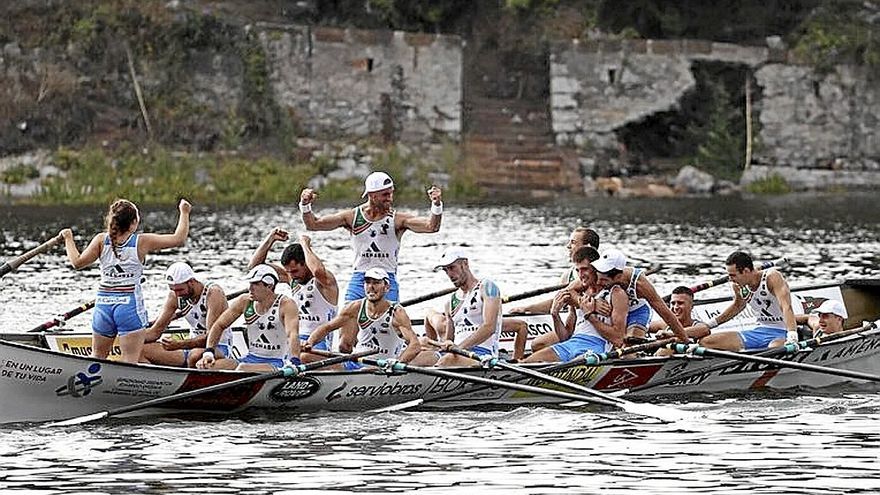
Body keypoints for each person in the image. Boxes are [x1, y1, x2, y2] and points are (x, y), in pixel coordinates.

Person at [59, 198, 191, 363]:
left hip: (103, 306)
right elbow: (178, 239)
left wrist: (68, 238)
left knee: (97, 357)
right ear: (134, 222)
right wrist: (184, 212)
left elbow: (77, 263)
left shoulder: (101, 240)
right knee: (130, 361)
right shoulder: (141, 241)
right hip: (128, 307)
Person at [299, 171, 443, 304]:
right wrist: (305, 206)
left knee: (390, 327)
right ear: (372, 195)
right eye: (386, 195)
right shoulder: (352, 217)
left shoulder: (398, 220)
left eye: (391, 193)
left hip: (387, 279)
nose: (390, 199)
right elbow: (313, 224)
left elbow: (431, 227)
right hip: (360, 279)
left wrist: (436, 205)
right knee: (346, 324)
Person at [302, 268, 425, 370]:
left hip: (382, 366)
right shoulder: (355, 307)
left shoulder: (397, 313)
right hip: (355, 361)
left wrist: (398, 363)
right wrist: (310, 343)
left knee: (365, 370)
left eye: (376, 283)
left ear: (386, 287)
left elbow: (415, 345)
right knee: (305, 357)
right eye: (368, 282)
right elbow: (327, 328)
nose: (371, 287)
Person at [248, 228, 338, 362]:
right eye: (288, 271)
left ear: (306, 264)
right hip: (293, 337)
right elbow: (254, 268)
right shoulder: (291, 278)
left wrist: (304, 244)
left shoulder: (325, 282)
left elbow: (318, 270)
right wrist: (270, 239)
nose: (292, 276)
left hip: (318, 343)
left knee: (303, 357)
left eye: (295, 271)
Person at [524, 246, 626, 363]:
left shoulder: (616, 294)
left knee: (575, 362)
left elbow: (618, 339)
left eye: (584, 269)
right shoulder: (576, 293)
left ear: (596, 268)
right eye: (577, 270)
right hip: (570, 345)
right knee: (526, 363)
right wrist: (555, 315)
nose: (580, 275)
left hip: (596, 348)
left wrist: (589, 315)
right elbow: (565, 337)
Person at [510, 226, 600, 353]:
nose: (568, 246)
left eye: (573, 242)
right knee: (537, 344)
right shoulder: (567, 276)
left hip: (596, 329)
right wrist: (526, 309)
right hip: (575, 325)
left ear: (588, 247)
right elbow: (559, 300)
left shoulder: (603, 272)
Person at [196, 264, 300, 371]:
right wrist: (208, 352)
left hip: (277, 362)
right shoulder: (245, 301)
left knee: (242, 369)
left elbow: (292, 334)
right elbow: (219, 325)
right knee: (205, 366)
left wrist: (294, 361)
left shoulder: (286, 304)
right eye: (250, 283)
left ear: (269, 285)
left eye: (255, 284)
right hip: (250, 359)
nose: (250, 288)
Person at [699, 251, 798, 351]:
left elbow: (786, 306)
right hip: (758, 333)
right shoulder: (738, 285)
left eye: (733, 275)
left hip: (782, 332)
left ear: (746, 271)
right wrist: (709, 325)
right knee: (706, 342)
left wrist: (792, 336)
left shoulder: (772, 277)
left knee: (774, 351)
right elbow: (737, 307)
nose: (730, 279)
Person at [141, 262, 233, 367]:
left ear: (191, 282)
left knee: (195, 355)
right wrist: (128, 336)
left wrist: (179, 344)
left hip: (217, 347)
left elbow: (210, 337)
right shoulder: (175, 296)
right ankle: (160, 381)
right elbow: (155, 332)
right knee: (140, 349)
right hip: (190, 347)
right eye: (173, 290)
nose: (177, 294)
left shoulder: (213, 294)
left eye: (180, 289)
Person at [592, 248, 689, 344]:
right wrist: (594, 304)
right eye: (598, 278)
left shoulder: (640, 284)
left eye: (603, 280)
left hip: (636, 312)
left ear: (618, 277)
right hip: (614, 310)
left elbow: (665, 313)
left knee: (628, 348)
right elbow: (576, 292)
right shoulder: (596, 273)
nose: (597, 282)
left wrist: (684, 339)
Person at [430, 247, 504, 366]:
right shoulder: (450, 302)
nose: (449, 274)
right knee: (421, 358)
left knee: (447, 360)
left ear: (465, 264)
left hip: (482, 354)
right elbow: (449, 340)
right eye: (445, 270)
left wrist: (460, 347)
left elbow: (489, 327)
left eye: (452, 268)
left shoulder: (487, 287)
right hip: (456, 353)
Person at [649, 286, 710, 356]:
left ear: (691, 306)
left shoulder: (697, 326)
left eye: (680, 303)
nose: (675, 307)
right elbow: (643, 326)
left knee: (665, 350)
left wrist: (671, 334)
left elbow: (705, 329)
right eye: (673, 303)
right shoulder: (664, 324)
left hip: (689, 357)